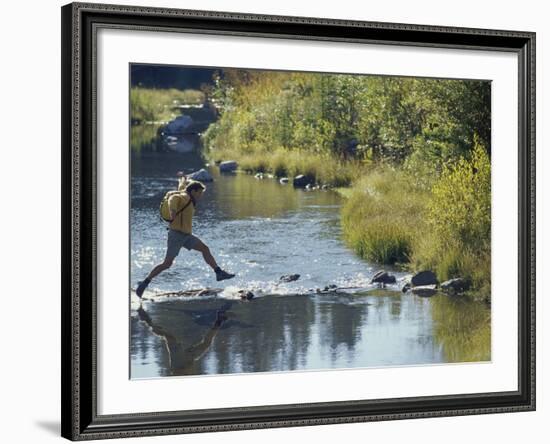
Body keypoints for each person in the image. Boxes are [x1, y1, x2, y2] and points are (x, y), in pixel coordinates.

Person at [135, 179, 235, 298]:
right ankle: (145, 282)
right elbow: (173, 198)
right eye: (199, 193)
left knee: (205, 248)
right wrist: (172, 211)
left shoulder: (188, 196)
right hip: (176, 235)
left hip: (186, 235)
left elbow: (181, 188)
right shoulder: (182, 197)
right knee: (167, 264)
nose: (200, 196)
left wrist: (183, 180)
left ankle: (219, 273)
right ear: (193, 191)